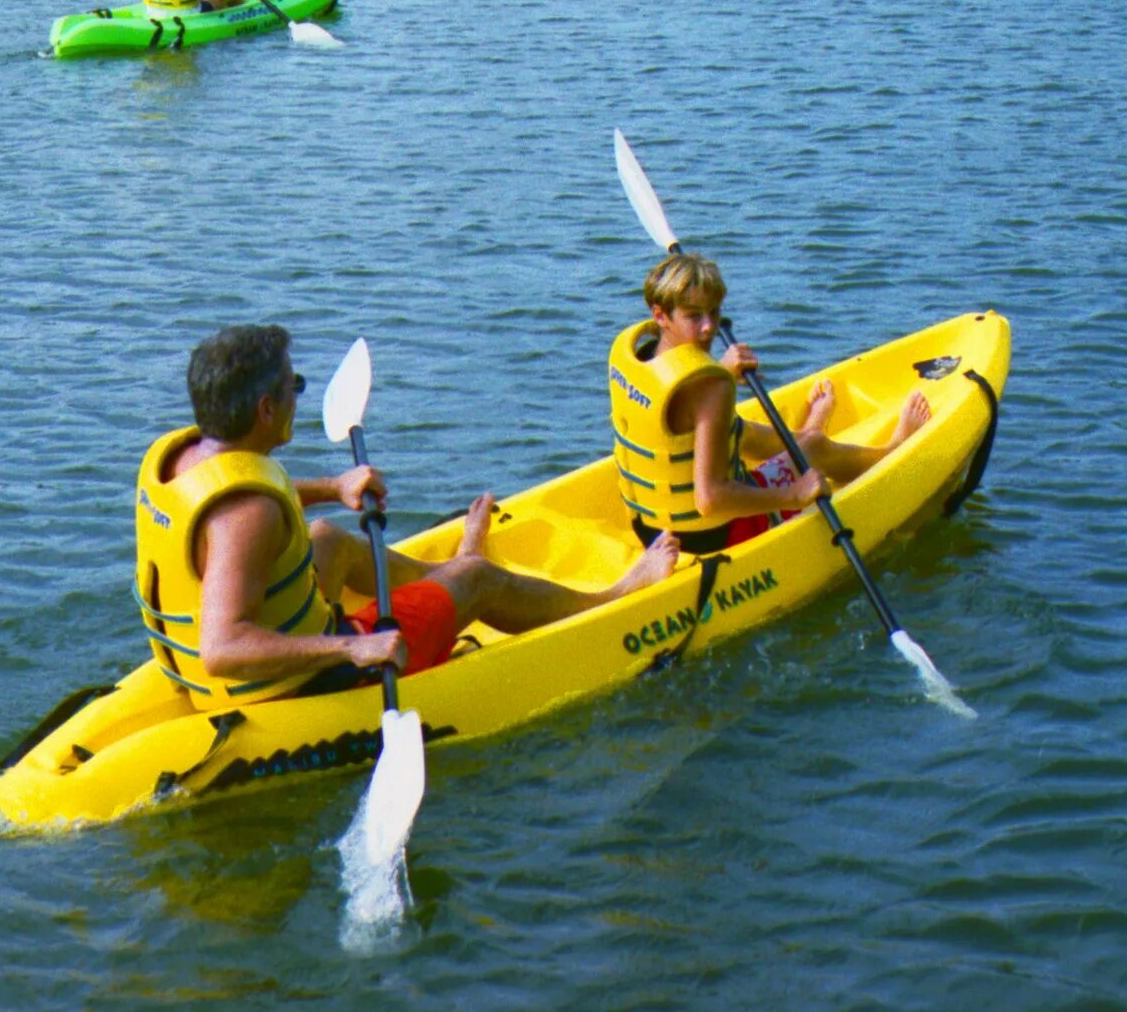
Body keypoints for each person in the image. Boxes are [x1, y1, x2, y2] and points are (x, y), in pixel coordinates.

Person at [138, 323, 679, 709]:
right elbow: (222, 648)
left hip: (208, 677)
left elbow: (240, 501)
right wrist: (355, 646)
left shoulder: (185, 458)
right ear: (266, 410)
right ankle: (612, 596)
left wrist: (333, 486)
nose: (299, 396)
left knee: (328, 539)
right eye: (292, 386)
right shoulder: (249, 517)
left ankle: (446, 584)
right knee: (477, 578)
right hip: (292, 686)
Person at [609, 253, 931, 554]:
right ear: (660, 315)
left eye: (714, 312)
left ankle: (803, 436)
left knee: (741, 432)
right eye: (693, 316)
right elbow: (711, 499)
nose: (709, 327)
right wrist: (796, 494)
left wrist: (721, 370)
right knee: (816, 448)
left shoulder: (639, 357)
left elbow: (685, 418)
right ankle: (890, 450)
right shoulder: (710, 389)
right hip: (712, 535)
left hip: (651, 530)